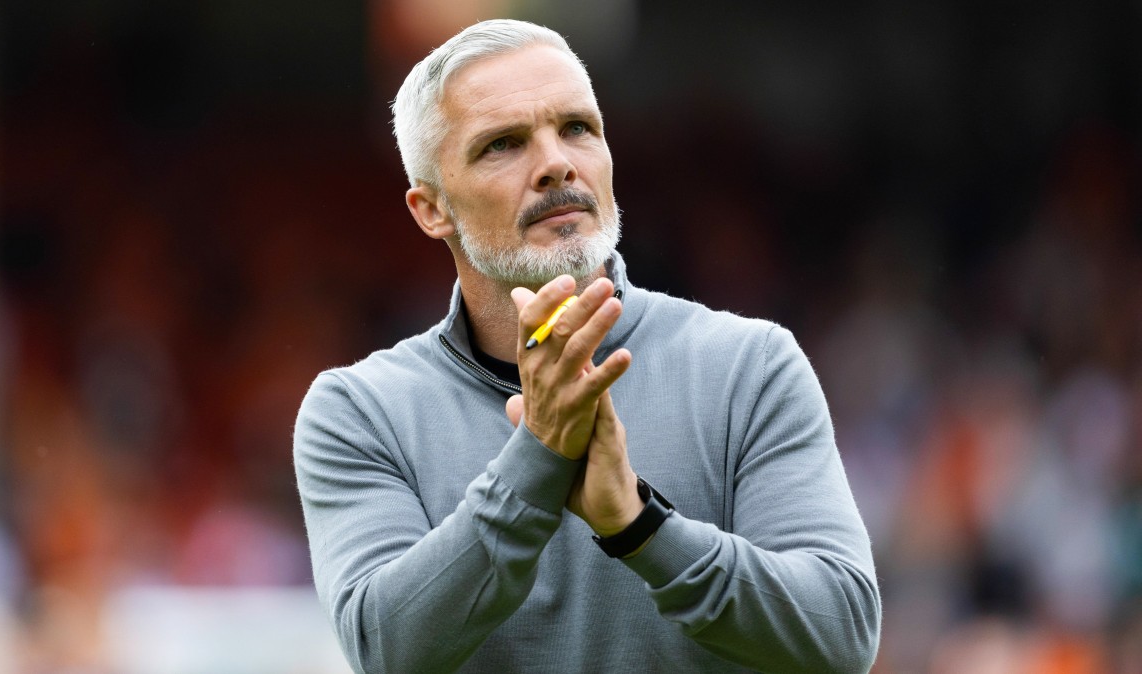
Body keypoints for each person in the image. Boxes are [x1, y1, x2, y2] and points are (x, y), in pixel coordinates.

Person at [294, 18, 880, 674]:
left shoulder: (751, 366)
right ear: (431, 209)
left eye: (577, 128)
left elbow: (842, 636)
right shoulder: (359, 412)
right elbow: (387, 648)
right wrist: (538, 457)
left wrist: (639, 527)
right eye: (503, 145)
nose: (555, 164)